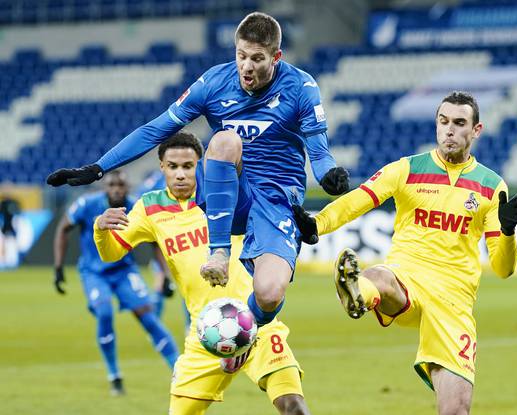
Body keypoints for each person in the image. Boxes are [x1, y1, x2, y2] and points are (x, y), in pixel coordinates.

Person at [46, 11, 349, 328]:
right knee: (223, 141)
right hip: (231, 192)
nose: (246, 66)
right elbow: (155, 130)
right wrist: (98, 168)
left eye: (257, 58)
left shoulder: (301, 86)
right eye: (241, 55)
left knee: (269, 293)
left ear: (276, 56)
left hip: (277, 198)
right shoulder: (214, 83)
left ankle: (245, 332)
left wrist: (329, 176)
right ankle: (218, 253)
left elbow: (319, 150)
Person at [293, 91, 517, 414]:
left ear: (476, 130)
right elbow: (360, 199)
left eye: (459, 123)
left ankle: (358, 293)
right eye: (443, 121)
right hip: (407, 278)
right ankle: (356, 293)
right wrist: (317, 224)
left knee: (455, 410)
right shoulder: (407, 169)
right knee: (378, 276)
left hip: (453, 301)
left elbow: (504, 268)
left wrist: (507, 232)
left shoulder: (492, 186)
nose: (449, 130)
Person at [93, 132, 310, 414]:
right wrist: (100, 228)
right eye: (173, 167)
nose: (181, 174)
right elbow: (111, 253)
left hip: (257, 324)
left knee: (293, 405)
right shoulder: (150, 208)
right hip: (206, 332)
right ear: (162, 167)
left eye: (189, 166)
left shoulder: (226, 192)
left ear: (202, 165)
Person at [53, 170, 179, 396]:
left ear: (128, 187)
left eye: (121, 185)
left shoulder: (136, 207)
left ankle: (179, 371)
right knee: (104, 312)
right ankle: (114, 376)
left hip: (124, 271)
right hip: (94, 272)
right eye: (112, 185)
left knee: (148, 317)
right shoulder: (87, 204)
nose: (116, 189)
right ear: (105, 187)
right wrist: (59, 267)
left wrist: (166, 276)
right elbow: (63, 228)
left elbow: (155, 243)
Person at [137, 169, 191, 328]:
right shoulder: (164, 183)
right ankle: (160, 325)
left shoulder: (153, 182)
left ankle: (154, 325)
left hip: (167, 239)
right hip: (170, 240)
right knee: (182, 284)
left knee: (166, 284)